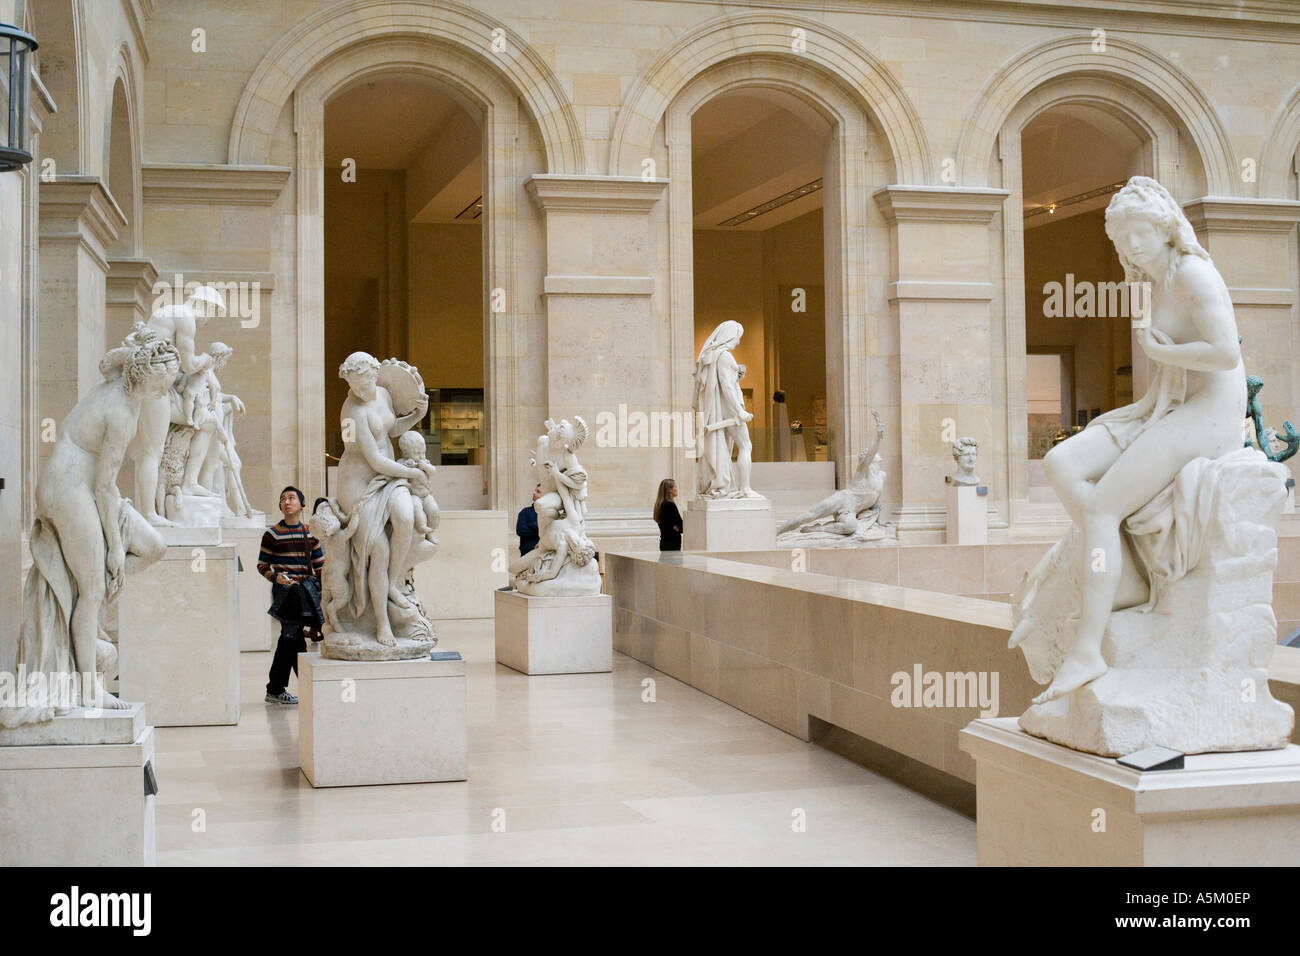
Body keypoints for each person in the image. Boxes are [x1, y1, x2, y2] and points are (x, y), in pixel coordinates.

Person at [1030, 176, 1246, 703]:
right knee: (1059, 462)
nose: (1131, 247)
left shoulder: (1195, 274)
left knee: (1103, 507)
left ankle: (1086, 651)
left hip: (1210, 410)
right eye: (1122, 239)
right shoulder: (1151, 284)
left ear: (1165, 227)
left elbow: (1225, 354)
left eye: (1140, 234)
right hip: (1170, 403)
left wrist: (1165, 355)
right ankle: (1123, 570)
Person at [258, 486, 324, 704]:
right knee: (294, 639)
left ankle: (275, 689)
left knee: (289, 638)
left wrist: (325, 594)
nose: (287, 502)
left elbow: (320, 566)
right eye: (283, 499)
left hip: (304, 593)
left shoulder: (310, 533)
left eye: (292, 498)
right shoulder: (272, 534)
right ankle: (309, 690)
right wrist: (274, 576)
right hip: (285, 593)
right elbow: (262, 564)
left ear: (302, 505)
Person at [654, 478, 683, 551]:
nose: (677, 489)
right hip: (672, 544)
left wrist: (676, 527)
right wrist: (677, 527)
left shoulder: (659, 505)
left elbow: (674, 526)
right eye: (675, 487)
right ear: (670, 490)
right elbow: (681, 526)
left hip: (664, 542)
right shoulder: (670, 505)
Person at [517, 483, 541, 556]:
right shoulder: (525, 512)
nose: (534, 493)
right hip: (528, 554)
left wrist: (532, 525)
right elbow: (520, 530)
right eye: (535, 490)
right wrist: (537, 527)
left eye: (538, 491)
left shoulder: (552, 513)